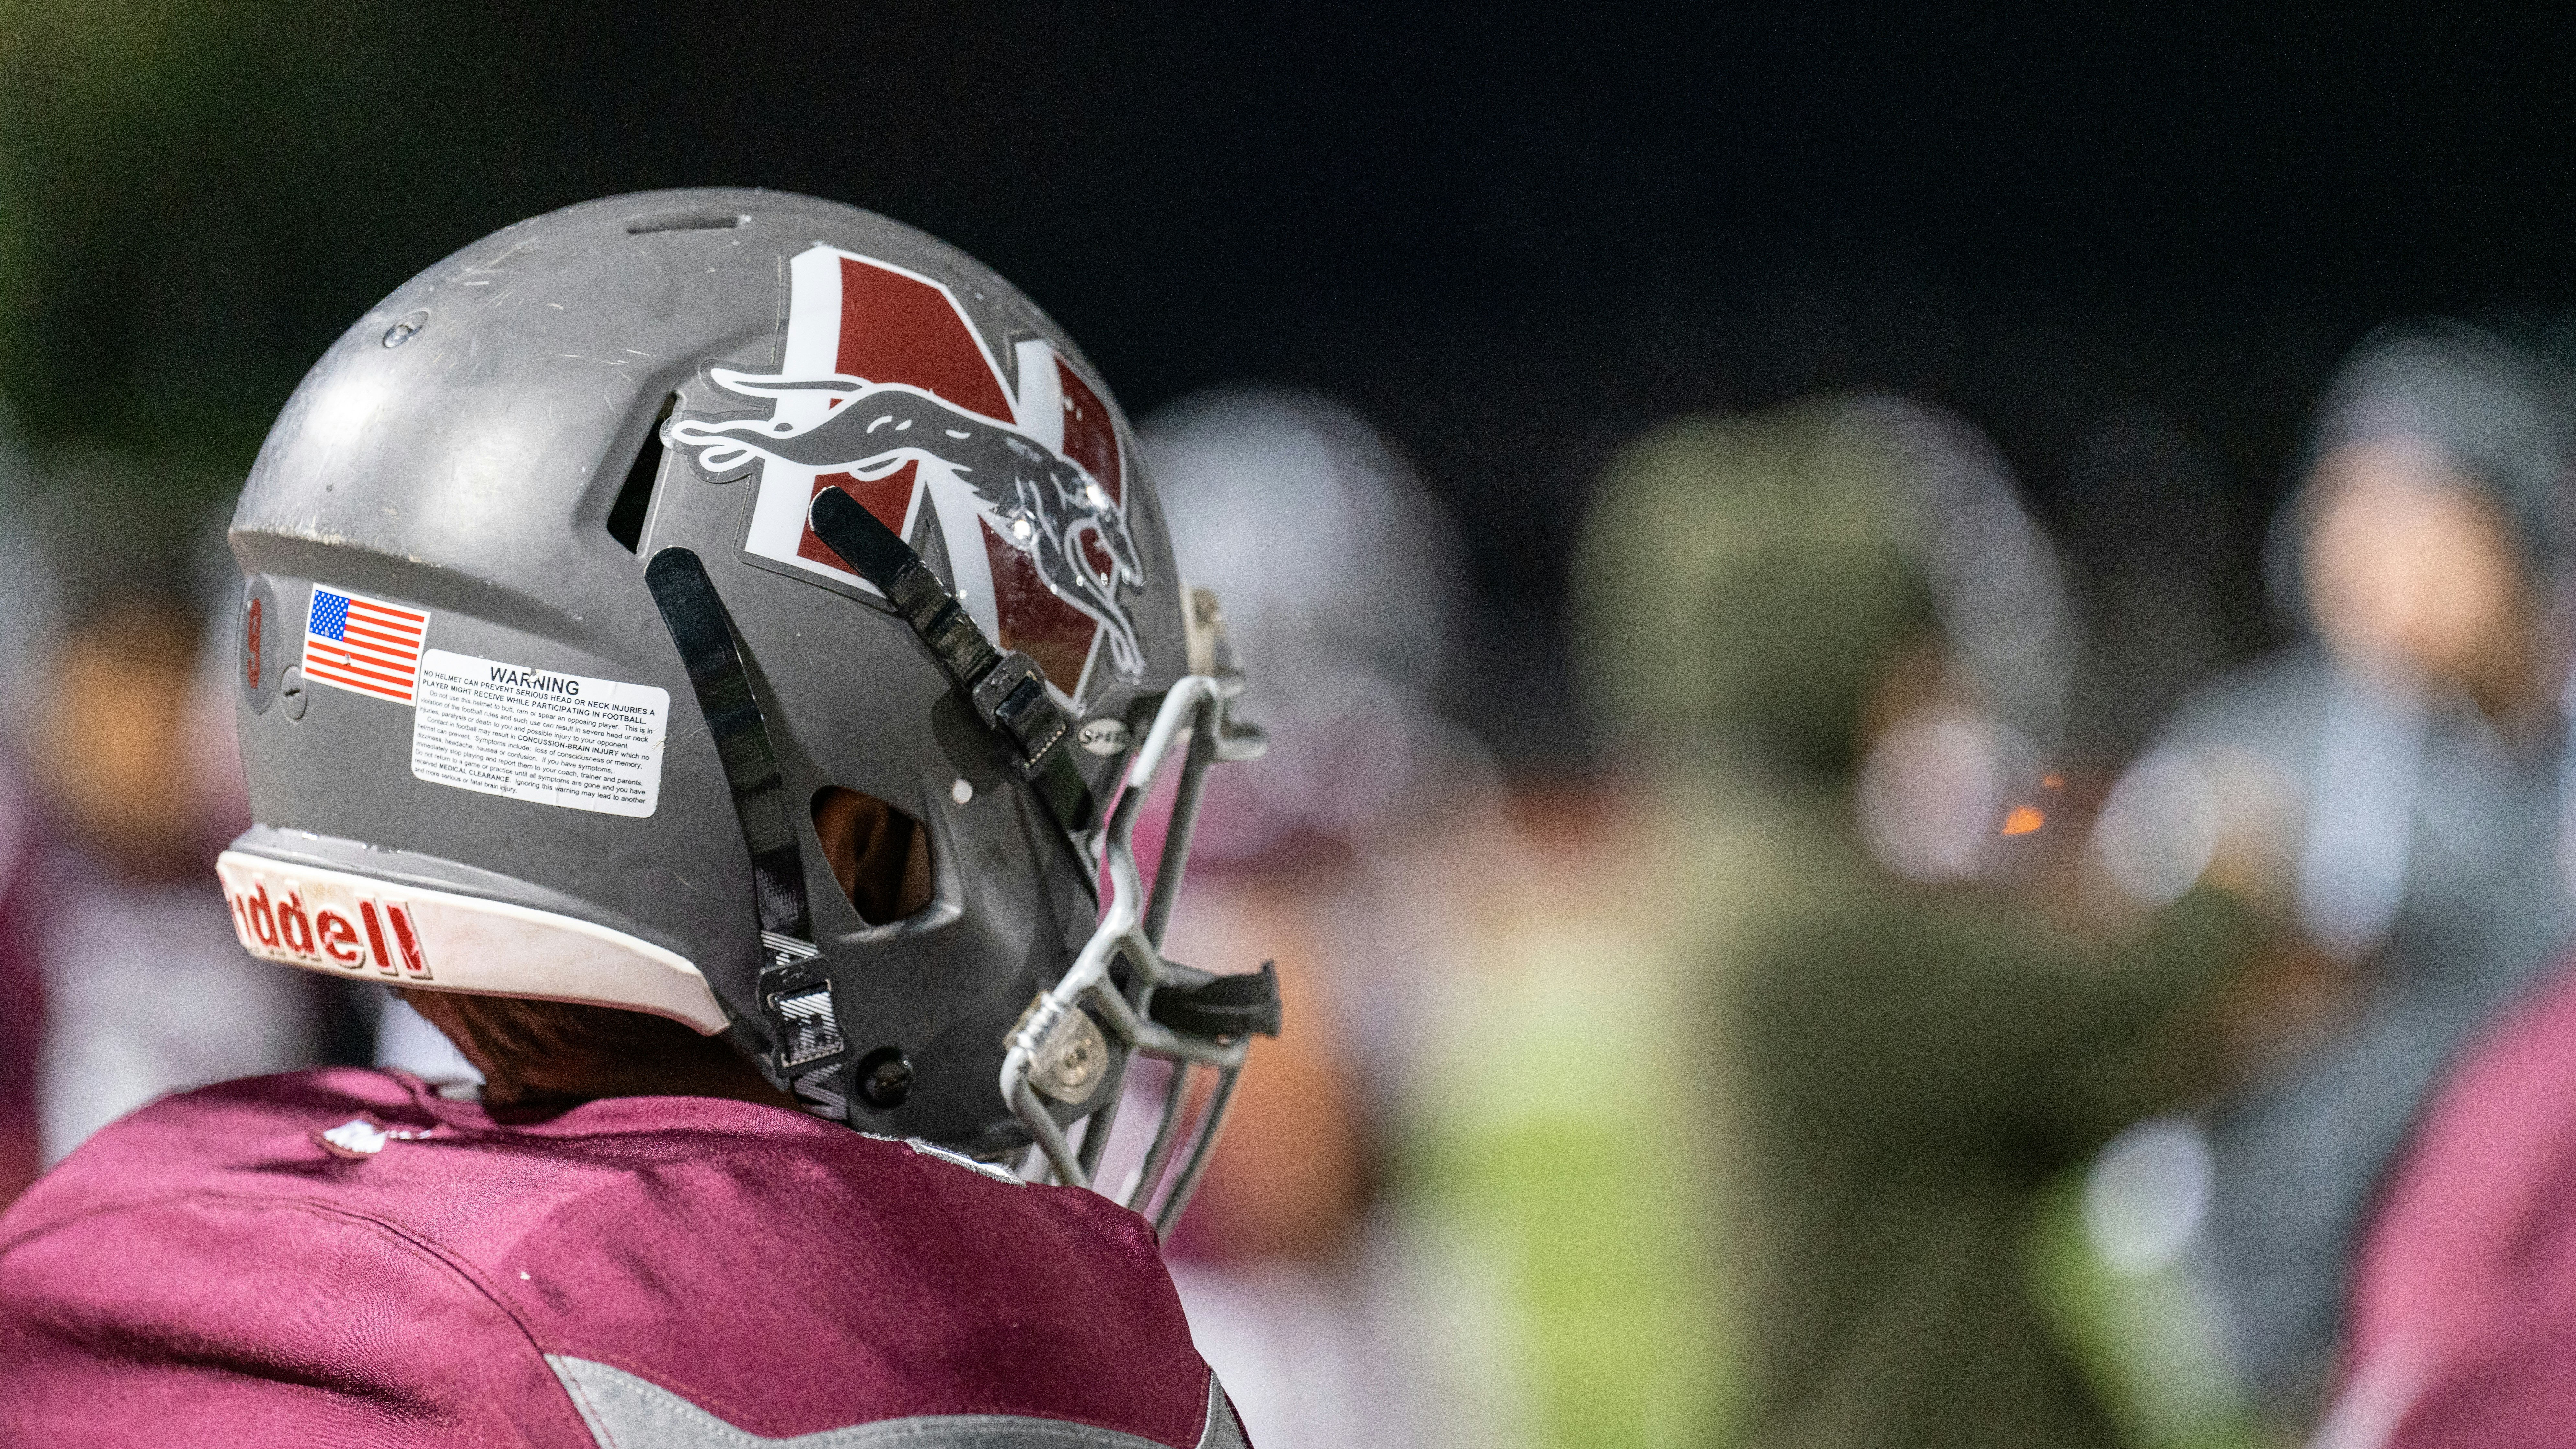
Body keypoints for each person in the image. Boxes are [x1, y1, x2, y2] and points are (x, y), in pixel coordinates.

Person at [0, 189, 1272, 1447]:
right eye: (1060, 797)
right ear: (860, 845)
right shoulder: (961, 1345)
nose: (1091, 884)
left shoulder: (104, 1245)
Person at [1573, 394, 2266, 1449]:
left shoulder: (1734, 858)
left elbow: (2017, 1106)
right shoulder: (1803, 915)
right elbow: (2113, 1019)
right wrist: (2223, 896)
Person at [2139, 321, 2576, 1423]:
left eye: (2419, 505)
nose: (2370, 550)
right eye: (2346, 504)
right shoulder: (2244, 764)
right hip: (2332, 1343)